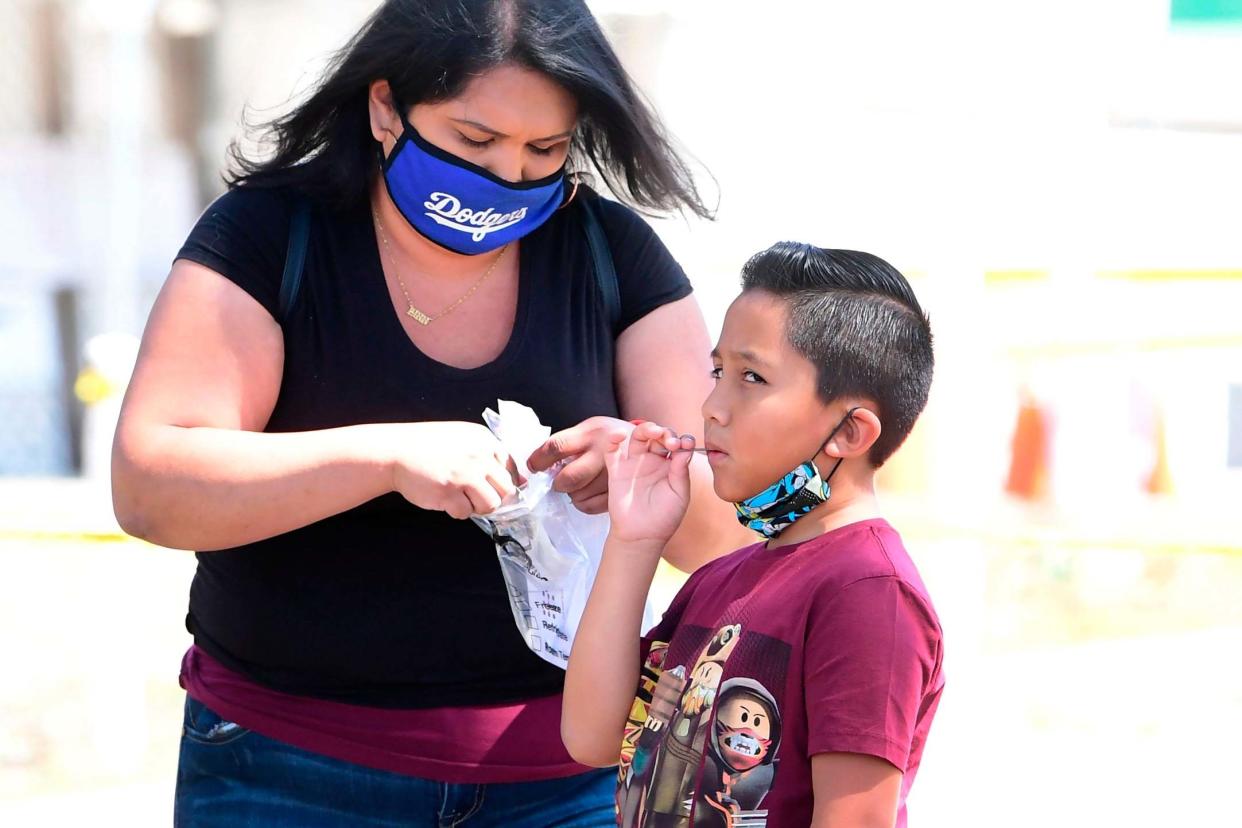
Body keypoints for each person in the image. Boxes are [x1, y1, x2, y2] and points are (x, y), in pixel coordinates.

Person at [110, 1, 748, 824]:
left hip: (567, 778)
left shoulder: (608, 252)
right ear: (385, 107)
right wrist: (385, 460)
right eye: (475, 141)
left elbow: (725, 528)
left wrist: (643, 469)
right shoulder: (273, 236)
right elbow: (151, 486)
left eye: (544, 150)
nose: (509, 176)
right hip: (291, 769)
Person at [563, 242, 945, 827]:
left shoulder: (868, 593)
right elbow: (591, 736)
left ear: (849, 431)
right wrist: (634, 540)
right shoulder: (722, 578)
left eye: (752, 377)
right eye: (718, 372)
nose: (713, 406)